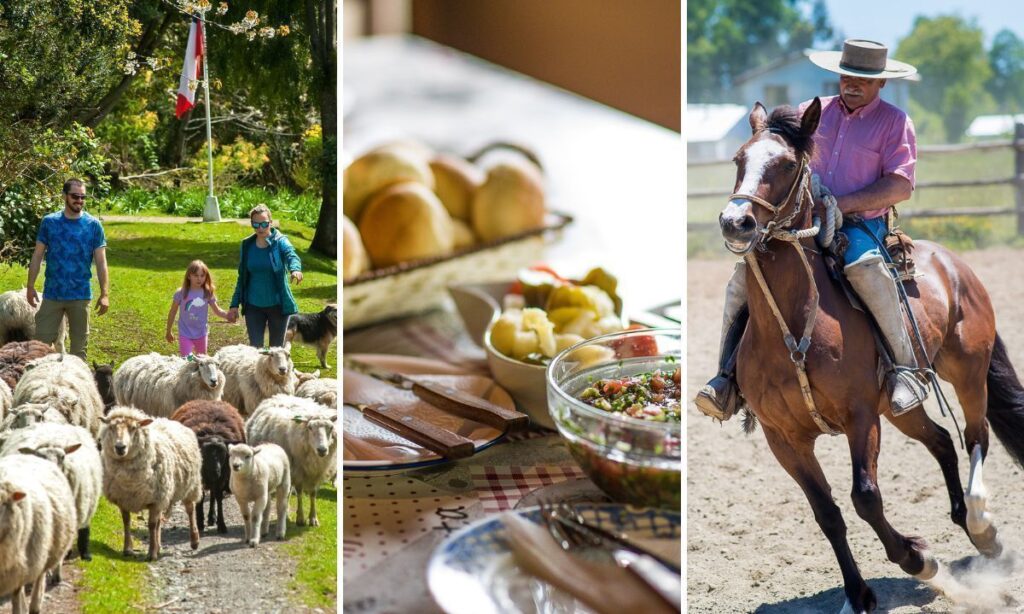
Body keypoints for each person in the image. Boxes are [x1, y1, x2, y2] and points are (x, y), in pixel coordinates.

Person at [695, 39, 926, 420]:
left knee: (869, 272)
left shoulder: (895, 123)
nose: (852, 84)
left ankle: (903, 370)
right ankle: (726, 379)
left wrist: (842, 203)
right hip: (798, 221)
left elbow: (900, 184)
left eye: (864, 80)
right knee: (741, 280)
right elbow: (773, 152)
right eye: (848, 76)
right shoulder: (810, 113)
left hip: (860, 223)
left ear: (881, 84)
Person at [26, 178, 109, 359]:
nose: (79, 200)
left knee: (79, 352)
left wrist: (104, 294)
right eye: (75, 196)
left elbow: (101, 262)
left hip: (80, 295)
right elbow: (38, 255)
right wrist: (30, 286)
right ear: (64, 196)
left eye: (82, 197)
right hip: (52, 294)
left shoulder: (94, 225)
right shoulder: (49, 222)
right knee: (38, 349)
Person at [227, 204, 303, 347]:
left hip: (278, 306)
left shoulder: (280, 241)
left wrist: (295, 269)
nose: (260, 228)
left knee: (276, 350)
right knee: (255, 350)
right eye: (256, 224)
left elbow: (291, 255)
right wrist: (234, 305)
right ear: (251, 224)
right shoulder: (247, 245)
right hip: (253, 306)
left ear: (271, 222)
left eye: (264, 224)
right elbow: (241, 278)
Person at [165, 260, 231, 356]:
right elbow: (172, 312)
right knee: (187, 359)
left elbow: (217, 311)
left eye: (202, 276)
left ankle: (196, 367)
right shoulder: (181, 293)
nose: (199, 279)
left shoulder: (208, 293)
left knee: (202, 360)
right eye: (196, 275)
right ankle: (191, 365)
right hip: (185, 333)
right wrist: (168, 331)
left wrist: (228, 316)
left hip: (201, 334)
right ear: (189, 276)